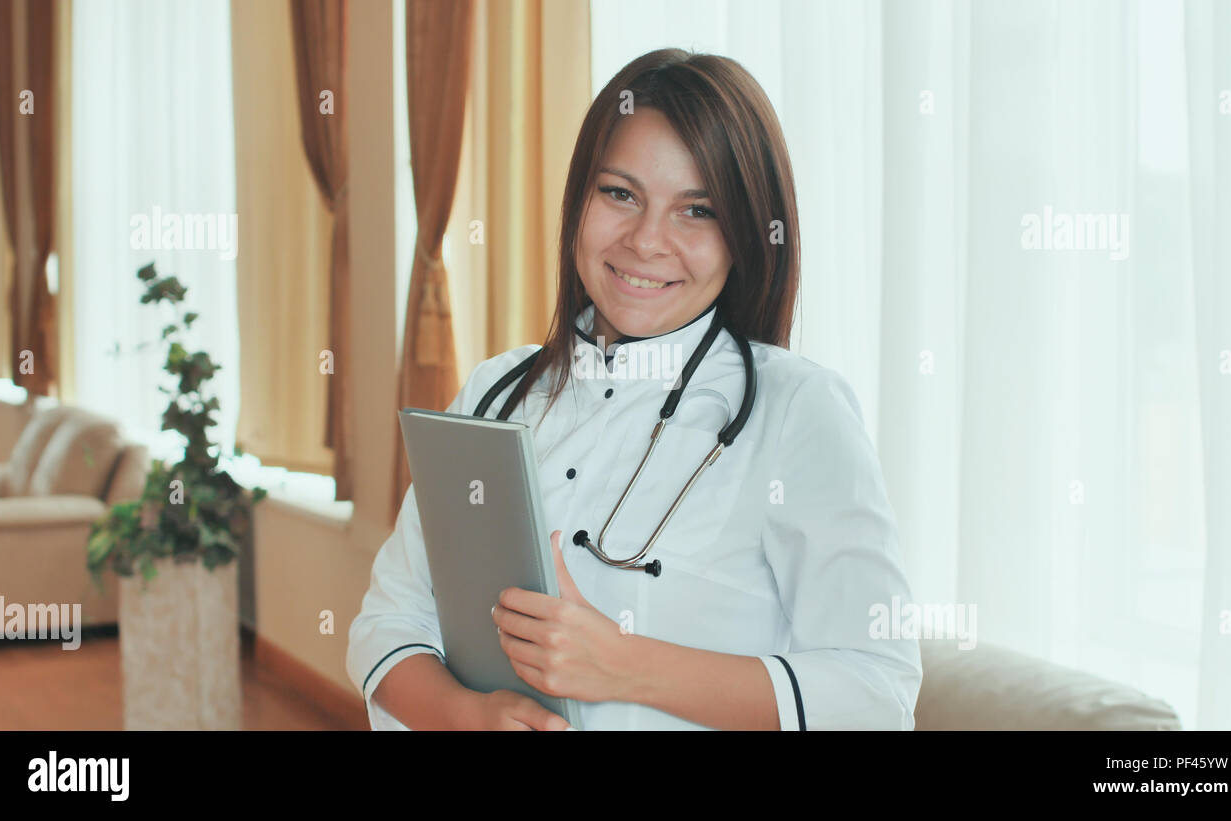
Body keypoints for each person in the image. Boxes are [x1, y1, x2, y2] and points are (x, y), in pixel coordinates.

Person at [346, 48, 922, 730]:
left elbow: (877, 693)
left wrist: (619, 662)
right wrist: (470, 715)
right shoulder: (495, 392)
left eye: (697, 210)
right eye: (620, 193)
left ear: (745, 235)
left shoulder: (798, 411)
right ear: (578, 200)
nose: (648, 241)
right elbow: (388, 622)